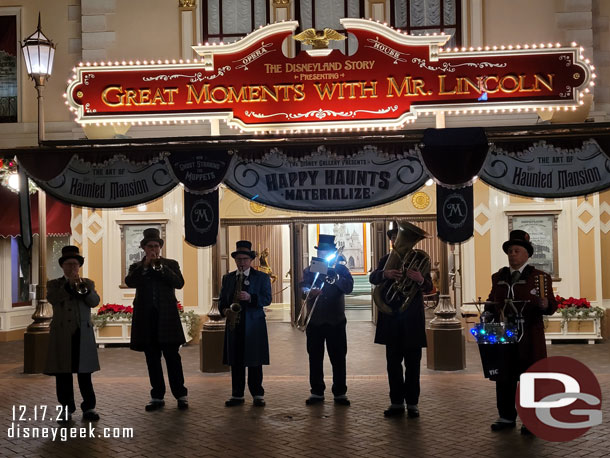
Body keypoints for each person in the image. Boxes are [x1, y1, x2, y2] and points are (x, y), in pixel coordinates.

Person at [486, 229, 557, 434]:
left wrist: (545, 305)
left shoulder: (540, 277)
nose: (512, 254)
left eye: (516, 250)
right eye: (510, 251)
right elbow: (492, 300)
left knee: (529, 379)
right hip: (504, 335)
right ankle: (506, 416)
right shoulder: (498, 276)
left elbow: (551, 305)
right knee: (504, 377)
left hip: (530, 337)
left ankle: (530, 420)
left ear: (527, 254)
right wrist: (488, 310)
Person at [369, 226, 433, 418]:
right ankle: (396, 402)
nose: (398, 241)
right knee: (393, 364)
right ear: (392, 241)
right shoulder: (385, 260)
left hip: (412, 320)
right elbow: (373, 277)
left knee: (413, 365)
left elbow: (429, 287)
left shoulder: (420, 259)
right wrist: (385, 274)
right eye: (395, 238)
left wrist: (421, 279)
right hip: (392, 318)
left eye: (400, 237)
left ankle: (412, 403)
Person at [125, 228, 188, 411]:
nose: (154, 249)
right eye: (150, 246)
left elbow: (179, 283)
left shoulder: (171, 264)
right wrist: (145, 266)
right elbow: (130, 282)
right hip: (147, 320)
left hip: (167, 318)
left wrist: (162, 268)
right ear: (144, 247)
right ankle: (157, 396)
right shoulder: (136, 267)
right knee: (152, 359)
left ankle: (181, 395)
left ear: (160, 247)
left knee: (173, 358)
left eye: (156, 246)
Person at [45, 245, 101, 423]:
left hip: (82, 334)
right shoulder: (54, 284)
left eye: (75, 264)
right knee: (63, 374)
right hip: (62, 334)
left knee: (85, 373)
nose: (72, 268)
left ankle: (89, 408)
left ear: (79, 266)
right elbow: (53, 299)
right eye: (69, 264)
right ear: (63, 266)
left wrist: (82, 287)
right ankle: (66, 409)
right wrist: (68, 286)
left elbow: (94, 302)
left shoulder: (88, 283)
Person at [300, 234, 353, 406]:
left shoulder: (341, 269)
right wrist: (310, 291)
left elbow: (349, 288)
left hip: (336, 321)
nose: (324, 254)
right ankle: (316, 392)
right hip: (315, 322)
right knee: (314, 358)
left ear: (332, 252)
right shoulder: (309, 270)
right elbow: (302, 289)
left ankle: (340, 392)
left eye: (327, 251)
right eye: (321, 251)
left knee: (338, 358)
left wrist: (336, 277)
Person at [219, 240, 272, 407]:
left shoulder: (262, 277)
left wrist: (250, 298)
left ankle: (257, 394)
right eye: (239, 259)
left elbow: (267, 299)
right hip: (235, 324)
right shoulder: (228, 278)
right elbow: (222, 301)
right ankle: (237, 394)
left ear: (250, 260)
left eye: (244, 259)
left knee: (255, 361)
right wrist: (225, 310)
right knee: (236, 360)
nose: (241, 262)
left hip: (254, 324)